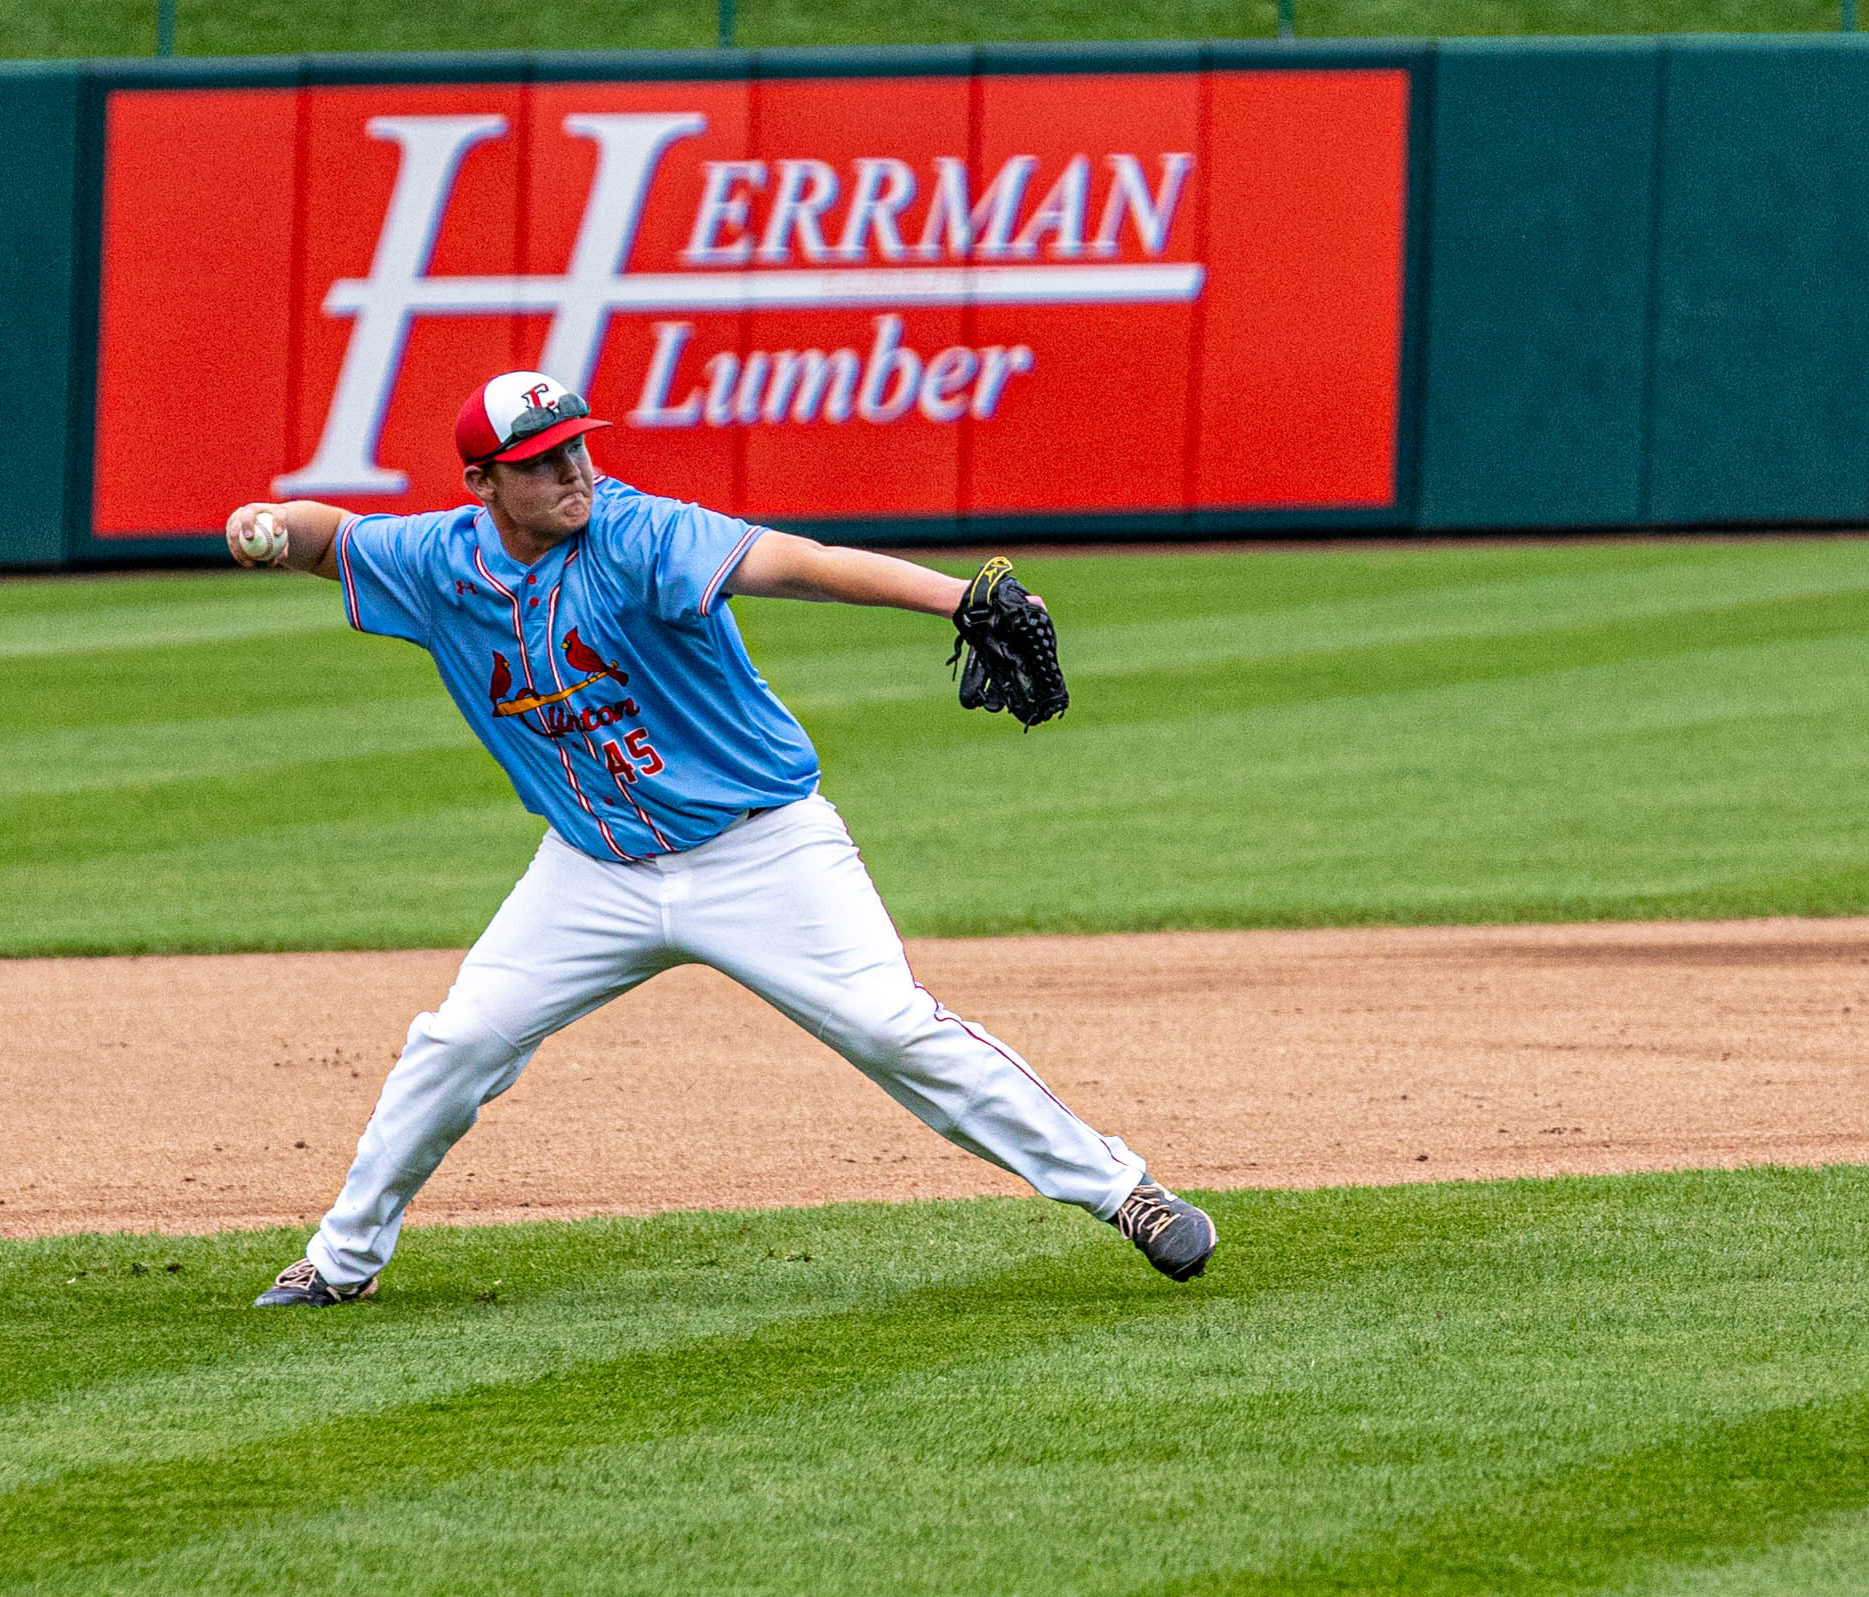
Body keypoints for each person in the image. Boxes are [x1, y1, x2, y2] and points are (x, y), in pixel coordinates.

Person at [224, 371, 1216, 1306]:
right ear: (482, 482)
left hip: (759, 848)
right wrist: (266, 527)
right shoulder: (440, 561)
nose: (571, 474)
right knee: (457, 1043)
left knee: (888, 1026)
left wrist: (955, 597)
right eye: (539, 462)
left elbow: (806, 566)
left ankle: (1126, 1193)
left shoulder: (641, 533)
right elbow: (331, 538)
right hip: (593, 868)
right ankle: (337, 1263)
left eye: (576, 450)